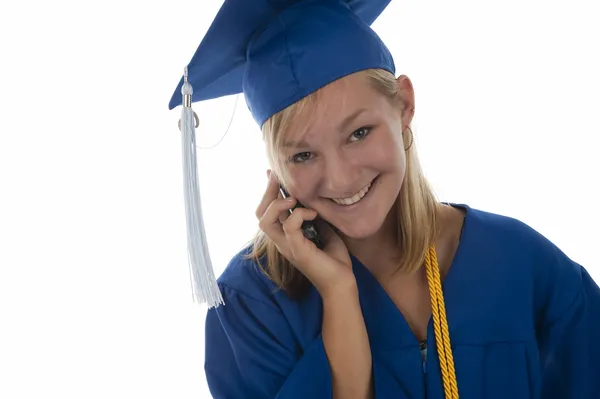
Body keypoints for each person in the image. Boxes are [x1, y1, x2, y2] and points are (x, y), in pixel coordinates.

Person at [169, 0, 600, 398]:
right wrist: (339, 298)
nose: (339, 179)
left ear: (405, 106)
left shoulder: (522, 265)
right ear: (274, 167)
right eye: (302, 155)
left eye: (359, 133)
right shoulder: (253, 309)